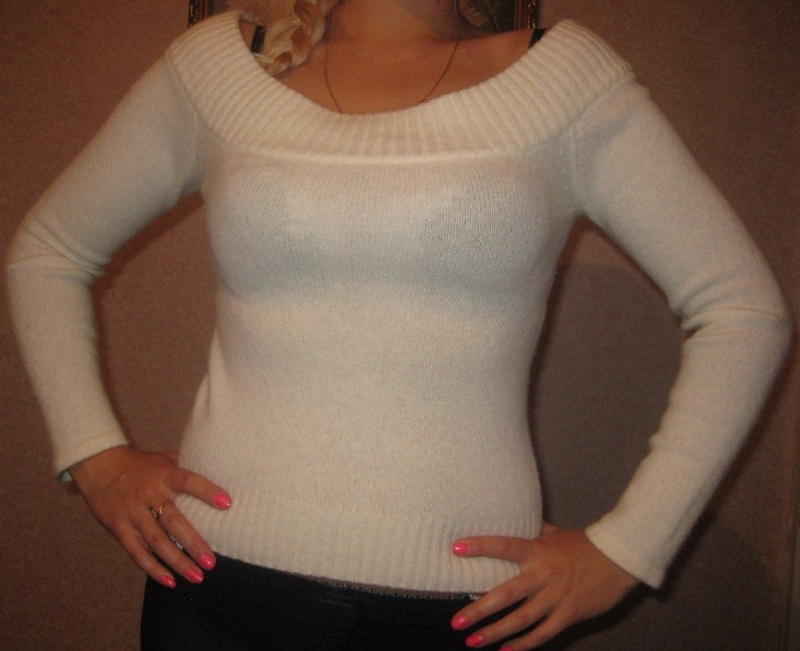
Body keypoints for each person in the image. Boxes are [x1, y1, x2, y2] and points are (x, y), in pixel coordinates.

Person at [6, 1, 791, 649]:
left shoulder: (567, 80)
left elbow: (742, 310)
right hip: (217, 589)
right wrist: (95, 456)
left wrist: (627, 548)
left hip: (463, 612)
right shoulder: (213, 70)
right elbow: (48, 253)